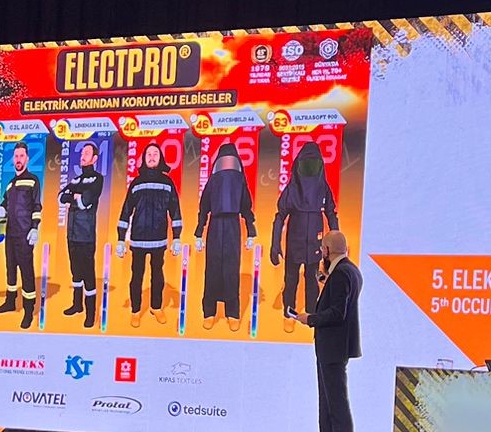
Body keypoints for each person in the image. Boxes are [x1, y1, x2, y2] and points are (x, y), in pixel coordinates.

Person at [290, 230, 362, 432]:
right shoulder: (349, 271)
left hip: (333, 347)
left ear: (327, 250)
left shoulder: (342, 273)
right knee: (328, 405)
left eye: (322, 248)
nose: (321, 253)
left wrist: (310, 318)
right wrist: (325, 280)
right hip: (332, 347)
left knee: (336, 406)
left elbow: (337, 312)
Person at [270, 141, 338, 332]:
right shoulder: (292, 189)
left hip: (315, 240)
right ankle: (289, 313)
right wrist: (275, 244)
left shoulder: (322, 187)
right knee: (292, 279)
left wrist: (336, 245)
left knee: (311, 278)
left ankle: (311, 313)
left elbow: (331, 213)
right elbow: (280, 216)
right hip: (296, 240)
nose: (309, 169)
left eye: (313, 164)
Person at [116, 142, 182, 329]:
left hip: (159, 239)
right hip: (138, 239)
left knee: (157, 275)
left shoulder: (167, 183)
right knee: (136, 276)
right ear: (143, 159)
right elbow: (126, 210)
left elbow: (175, 210)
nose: (152, 157)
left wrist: (177, 237)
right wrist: (120, 239)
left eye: (155, 154)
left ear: (161, 158)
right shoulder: (137, 183)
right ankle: (135, 311)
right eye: (149, 154)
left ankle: (156, 307)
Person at [194, 141, 258, 332]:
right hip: (215, 225)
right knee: (212, 268)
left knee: (231, 268)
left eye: (231, 161)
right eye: (224, 161)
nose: (228, 166)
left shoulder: (240, 181)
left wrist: (251, 231)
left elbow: (246, 206)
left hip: (232, 226)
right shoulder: (213, 182)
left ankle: (233, 312)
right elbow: (204, 207)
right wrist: (199, 233)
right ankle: (209, 311)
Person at [0, 142, 43, 329]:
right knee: (10, 269)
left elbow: (37, 206)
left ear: (27, 159)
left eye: (21, 156)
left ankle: (28, 311)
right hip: (10, 234)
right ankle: (10, 301)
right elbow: (5, 203)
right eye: (16, 156)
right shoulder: (10, 184)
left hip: (25, 234)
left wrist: (35, 228)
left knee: (26, 271)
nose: (18, 159)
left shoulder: (32, 180)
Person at [60, 138, 104, 330]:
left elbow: (86, 201)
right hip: (71, 234)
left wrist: (75, 198)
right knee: (75, 272)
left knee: (88, 275)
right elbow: (61, 197)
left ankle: (90, 314)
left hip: (86, 236)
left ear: (94, 158)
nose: (82, 156)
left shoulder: (97, 179)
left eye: (87, 153)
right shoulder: (75, 180)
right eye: (82, 153)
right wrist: (75, 197)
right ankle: (76, 305)